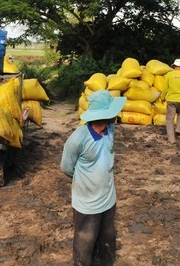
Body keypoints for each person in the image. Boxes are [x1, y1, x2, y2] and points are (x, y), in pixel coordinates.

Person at [60, 90, 126, 266]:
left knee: (107, 237)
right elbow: (66, 167)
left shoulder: (110, 130)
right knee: (85, 241)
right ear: (105, 114)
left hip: (108, 198)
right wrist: (86, 179)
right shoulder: (77, 139)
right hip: (87, 203)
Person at [160, 59, 180, 143]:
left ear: (174, 66)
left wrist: (162, 97)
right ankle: (178, 129)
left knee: (170, 119)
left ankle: (171, 139)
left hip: (171, 99)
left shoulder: (169, 74)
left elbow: (165, 88)